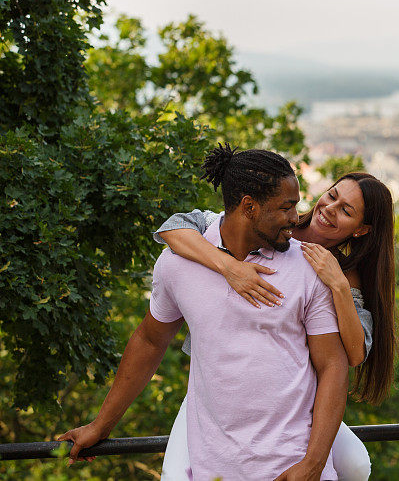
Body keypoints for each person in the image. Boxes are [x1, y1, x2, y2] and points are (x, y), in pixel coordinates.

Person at [58, 145, 349, 480]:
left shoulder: (309, 267)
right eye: (286, 207)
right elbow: (150, 341)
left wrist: (313, 463)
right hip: (214, 467)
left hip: (294, 466)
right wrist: (101, 424)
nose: (296, 218)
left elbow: (334, 364)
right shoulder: (177, 263)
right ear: (249, 207)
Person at [155, 170, 396, 481]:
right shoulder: (276, 224)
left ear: (362, 230)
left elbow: (355, 351)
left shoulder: (343, 275)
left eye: (346, 211)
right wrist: (230, 267)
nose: (329, 209)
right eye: (332, 196)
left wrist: (336, 284)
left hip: (295, 398)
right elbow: (175, 228)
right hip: (217, 388)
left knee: (356, 465)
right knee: (174, 475)